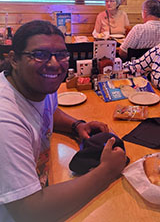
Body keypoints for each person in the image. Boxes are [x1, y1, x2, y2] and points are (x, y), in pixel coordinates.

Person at [0, 20, 127, 222]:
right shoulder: (5, 121)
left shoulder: (37, 85)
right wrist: (106, 171)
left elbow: (49, 112)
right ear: (14, 60)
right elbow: (30, 212)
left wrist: (76, 125)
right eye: (39, 55)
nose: (54, 63)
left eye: (60, 55)